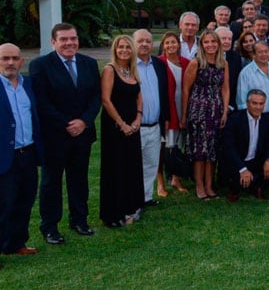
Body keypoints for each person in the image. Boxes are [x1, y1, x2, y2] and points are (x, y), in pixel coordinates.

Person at [30, 23, 101, 244]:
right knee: (51, 182)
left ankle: (79, 220)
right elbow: (41, 101)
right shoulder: (40, 66)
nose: (69, 43)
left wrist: (84, 121)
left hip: (83, 134)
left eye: (73, 38)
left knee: (79, 179)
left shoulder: (89, 64)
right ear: (53, 42)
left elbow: (95, 97)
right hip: (55, 136)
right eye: (64, 39)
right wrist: (66, 124)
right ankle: (50, 227)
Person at [0, 43, 42, 256]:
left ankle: (16, 244)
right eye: (5, 58)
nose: (10, 63)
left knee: (25, 201)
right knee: (3, 205)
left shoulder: (27, 84)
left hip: (28, 153)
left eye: (14, 58)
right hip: (4, 157)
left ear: (21, 61)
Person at [99, 35, 145, 228]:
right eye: (120, 47)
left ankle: (130, 206)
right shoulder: (110, 70)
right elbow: (106, 100)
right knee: (116, 168)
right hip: (114, 128)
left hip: (133, 126)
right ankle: (113, 213)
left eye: (128, 47)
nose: (124, 50)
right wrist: (122, 123)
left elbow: (138, 96)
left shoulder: (132, 70)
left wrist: (138, 119)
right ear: (115, 50)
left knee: (131, 166)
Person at [181, 30, 229, 200]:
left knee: (212, 150)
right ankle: (199, 185)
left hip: (216, 110)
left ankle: (209, 184)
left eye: (213, 42)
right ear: (202, 45)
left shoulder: (223, 63)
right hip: (198, 111)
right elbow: (186, 89)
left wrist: (224, 111)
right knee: (200, 151)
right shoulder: (196, 63)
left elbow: (225, 88)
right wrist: (184, 115)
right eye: (207, 42)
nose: (210, 45)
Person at [132, 30, 169, 206]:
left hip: (155, 125)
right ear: (133, 43)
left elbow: (164, 94)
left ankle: (146, 197)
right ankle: (132, 197)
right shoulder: (127, 65)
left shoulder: (159, 64)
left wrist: (165, 120)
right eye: (140, 41)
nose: (145, 44)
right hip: (135, 126)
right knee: (133, 165)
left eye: (148, 41)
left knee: (151, 164)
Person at [222, 89, 269, 202]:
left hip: (255, 161)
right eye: (254, 103)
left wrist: (268, 161)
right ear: (247, 103)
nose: (258, 107)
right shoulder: (235, 119)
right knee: (237, 179)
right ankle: (235, 189)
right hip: (237, 162)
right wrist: (242, 169)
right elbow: (229, 148)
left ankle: (257, 186)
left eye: (261, 104)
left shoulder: (267, 121)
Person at [157, 32, 190, 193]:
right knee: (164, 147)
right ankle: (160, 182)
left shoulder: (186, 63)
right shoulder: (159, 63)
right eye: (167, 43)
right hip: (167, 112)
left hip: (182, 108)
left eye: (174, 42)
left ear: (179, 44)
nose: (171, 45)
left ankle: (176, 179)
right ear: (163, 45)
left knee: (177, 146)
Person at [236, 42, 269, 118]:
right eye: (260, 52)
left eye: (266, 51)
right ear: (254, 55)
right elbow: (241, 102)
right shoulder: (245, 73)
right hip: (257, 117)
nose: (264, 54)